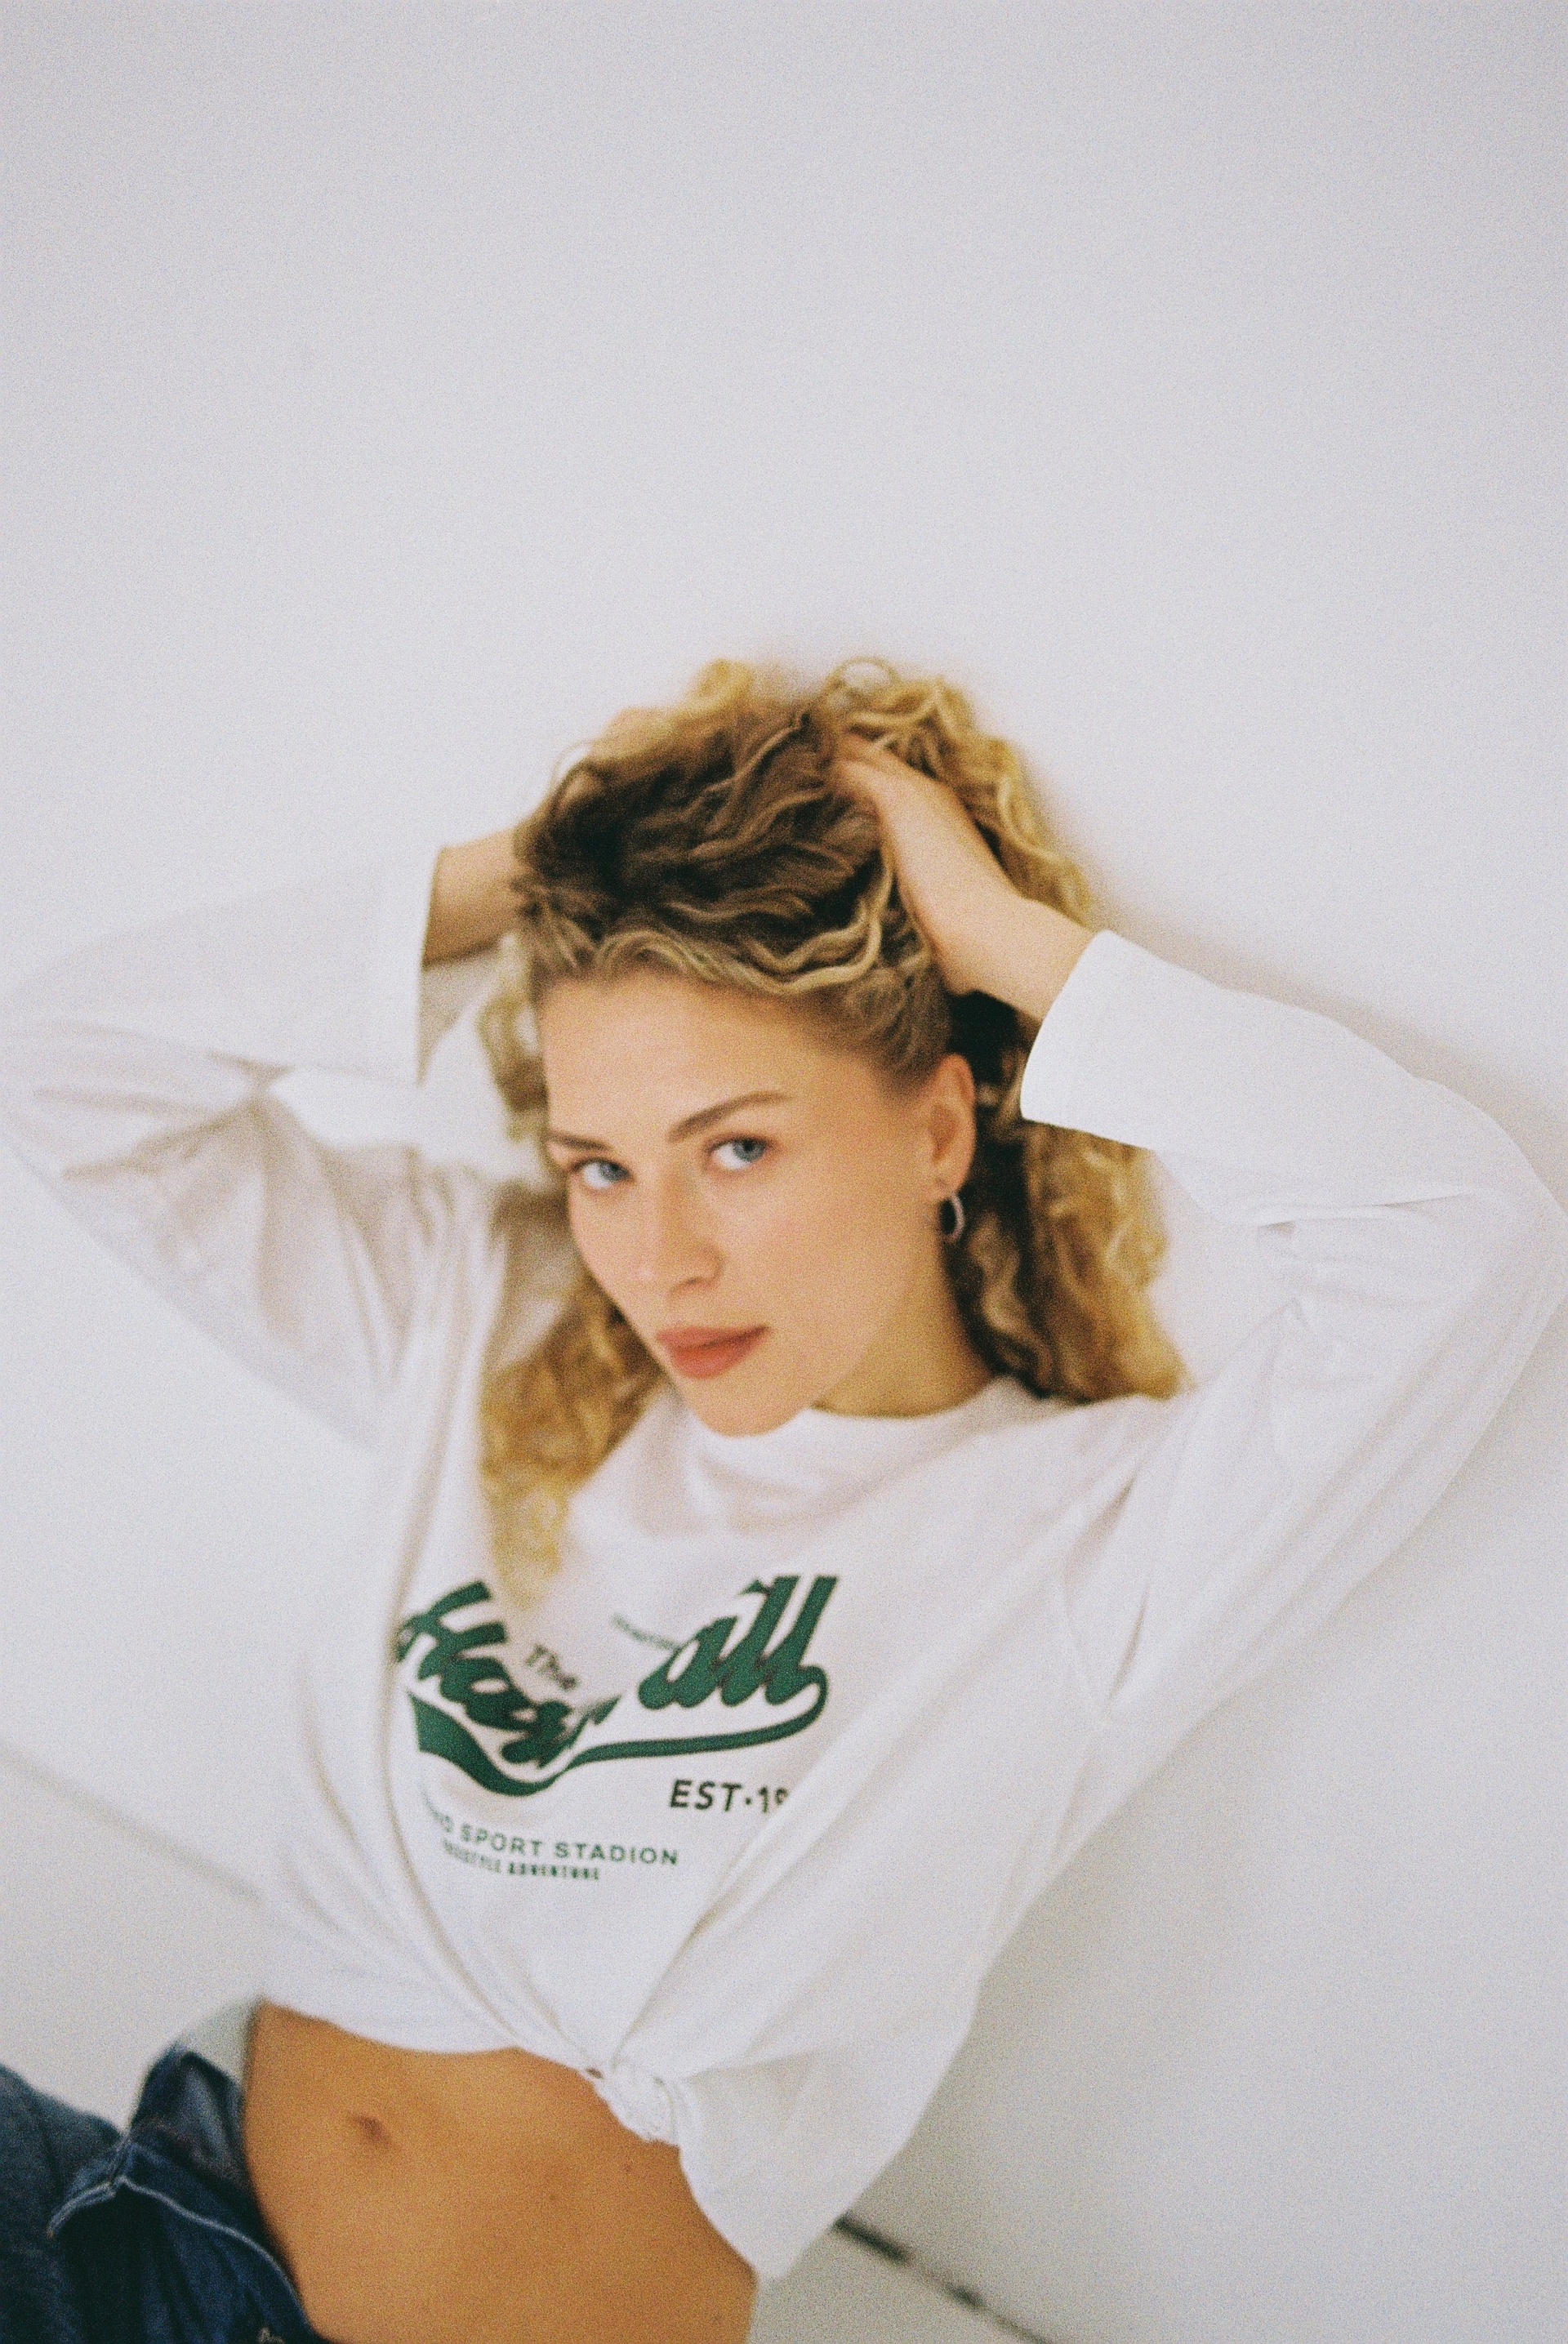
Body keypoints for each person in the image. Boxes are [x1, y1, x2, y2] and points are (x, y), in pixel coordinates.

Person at [1, 655, 1563, 2344]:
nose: (657, 1256)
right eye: (603, 1165)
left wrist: (998, 942)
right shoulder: (485, 1325)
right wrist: (535, 871)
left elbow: (1457, 1239)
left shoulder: (1082, 1537)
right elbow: (66, 1067)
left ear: (940, 1129)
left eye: (736, 1147)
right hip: (126, 2228)